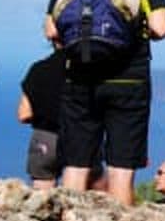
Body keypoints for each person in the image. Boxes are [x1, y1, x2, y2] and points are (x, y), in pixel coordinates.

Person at [44, 0, 165, 205]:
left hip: (79, 79)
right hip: (129, 80)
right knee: (121, 169)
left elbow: (51, 29)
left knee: (76, 165)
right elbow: (160, 28)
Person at [17, 48, 106, 190]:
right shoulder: (92, 69)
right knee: (94, 190)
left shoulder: (38, 69)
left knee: (42, 195)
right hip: (81, 138)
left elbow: (24, 114)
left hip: (45, 138)